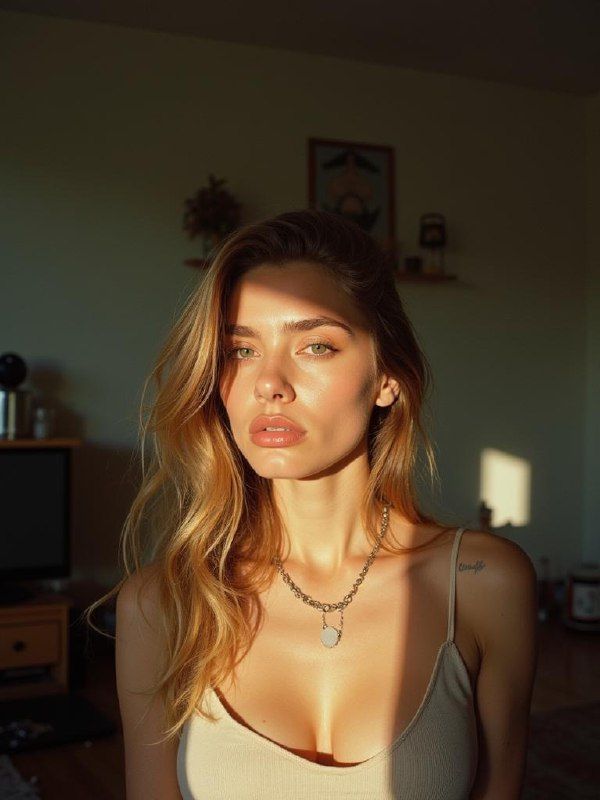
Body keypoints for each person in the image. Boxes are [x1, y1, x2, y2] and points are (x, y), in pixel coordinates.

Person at [87, 209, 538, 799]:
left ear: (386, 379)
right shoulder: (163, 606)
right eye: (241, 351)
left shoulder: (482, 583)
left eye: (316, 345)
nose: (268, 383)